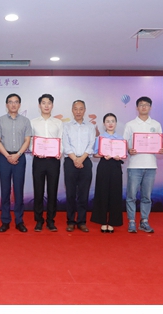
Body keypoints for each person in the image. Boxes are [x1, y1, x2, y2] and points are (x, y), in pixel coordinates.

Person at [123, 96, 163, 233]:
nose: (144, 107)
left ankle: (144, 221)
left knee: (147, 196)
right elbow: (124, 143)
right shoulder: (130, 125)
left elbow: (160, 143)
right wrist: (129, 149)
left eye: (146, 105)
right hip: (134, 165)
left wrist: (161, 149)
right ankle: (131, 221)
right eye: (141, 105)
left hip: (151, 165)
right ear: (137, 107)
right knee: (131, 196)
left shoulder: (156, 124)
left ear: (150, 107)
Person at [0, 93, 33, 232]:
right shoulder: (0, 121)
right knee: (5, 190)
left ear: (19, 105)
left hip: (20, 157)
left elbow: (27, 140)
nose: (13, 104)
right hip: (4, 158)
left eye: (16, 102)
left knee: (18, 190)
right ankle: (5, 221)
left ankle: (19, 221)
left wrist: (18, 155)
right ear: (6, 105)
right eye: (10, 102)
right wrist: (8, 156)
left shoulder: (25, 121)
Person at [30, 93, 64, 232]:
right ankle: (39, 221)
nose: (46, 105)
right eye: (43, 103)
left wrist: (58, 152)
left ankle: (50, 220)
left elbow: (61, 140)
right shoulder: (33, 122)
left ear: (52, 105)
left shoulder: (58, 123)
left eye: (49, 103)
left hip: (53, 161)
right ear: (39, 105)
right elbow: (30, 141)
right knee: (38, 191)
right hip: (38, 160)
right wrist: (35, 150)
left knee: (52, 191)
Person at [62, 99, 97, 232]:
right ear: (72, 110)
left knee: (84, 193)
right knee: (70, 193)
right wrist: (75, 159)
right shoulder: (66, 126)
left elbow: (91, 144)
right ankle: (70, 221)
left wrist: (81, 159)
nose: (78, 111)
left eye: (81, 109)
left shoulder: (90, 127)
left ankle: (82, 221)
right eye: (76, 109)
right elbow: (65, 144)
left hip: (85, 161)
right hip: (70, 161)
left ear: (84, 110)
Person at [91, 113, 126, 232]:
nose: (110, 124)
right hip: (104, 165)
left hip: (116, 166)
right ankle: (102, 221)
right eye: (108, 121)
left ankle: (112, 221)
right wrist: (101, 154)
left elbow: (124, 155)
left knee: (115, 193)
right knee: (102, 192)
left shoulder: (120, 138)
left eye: (112, 121)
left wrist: (119, 156)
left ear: (116, 123)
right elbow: (95, 154)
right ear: (104, 124)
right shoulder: (100, 138)